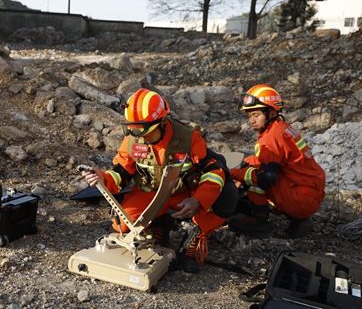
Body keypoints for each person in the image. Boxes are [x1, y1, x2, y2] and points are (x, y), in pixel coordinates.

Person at [82, 88, 238, 273]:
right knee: (122, 225)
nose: (142, 137)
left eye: (147, 131)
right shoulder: (133, 139)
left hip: (184, 194)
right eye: (135, 129)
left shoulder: (189, 138)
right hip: (150, 194)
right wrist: (103, 177)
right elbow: (121, 174)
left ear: (164, 122)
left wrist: (198, 199)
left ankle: (196, 233)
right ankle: (160, 224)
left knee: (227, 195)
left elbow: (214, 172)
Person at [228, 84, 326, 239]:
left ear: (272, 112)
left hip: (301, 200)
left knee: (253, 172)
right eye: (249, 116)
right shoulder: (283, 128)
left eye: (256, 115)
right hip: (311, 196)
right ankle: (297, 220)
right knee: (252, 161)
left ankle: (260, 223)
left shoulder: (271, 138)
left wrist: (234, 174)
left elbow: (267, 178)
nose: (252, 121)